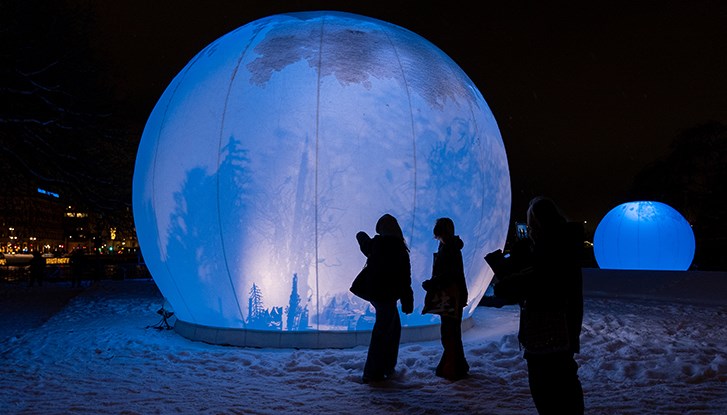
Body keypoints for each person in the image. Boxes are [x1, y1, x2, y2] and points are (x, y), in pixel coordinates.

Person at [492, 196, 585, 414]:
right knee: (563, 383)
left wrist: (507, 280)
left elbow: (539, 280)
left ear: (540, 224)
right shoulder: (561, 245)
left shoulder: (552, 251)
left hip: (549, 333)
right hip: (560, 332)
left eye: (532, 224)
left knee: (549, 389)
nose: (531, 229)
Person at [355, 213, 414, 383]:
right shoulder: (400, 249)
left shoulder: (377, 244)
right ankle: (377, 371)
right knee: (387, 332)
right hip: (389, 297)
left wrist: (361, 235)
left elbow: (364, 244)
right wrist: (407, 300)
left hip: (377, 295)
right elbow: (405, 278)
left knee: (387, 331)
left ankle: (378, 370)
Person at [422, 217, 470, 381]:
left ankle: (453, 368)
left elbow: (450, 274)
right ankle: (456, 366)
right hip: (452, 296)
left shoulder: (449, 248)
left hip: (450, 297)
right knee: (451, 332)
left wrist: (432, 283)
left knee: (450, 333)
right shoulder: (449, 246)